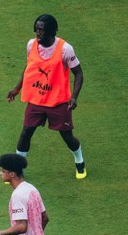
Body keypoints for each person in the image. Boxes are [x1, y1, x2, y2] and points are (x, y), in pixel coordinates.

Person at [6, 14, 86, 179]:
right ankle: (17, 170)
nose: (38, 33)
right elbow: (29, 67)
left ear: (52, 31)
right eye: (36, 29)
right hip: (37, 99)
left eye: (41, 30)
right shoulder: (31, 45)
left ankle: (79, 160)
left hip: (58, 101)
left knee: (67, 135)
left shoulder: (65, 49)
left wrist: (74, 97)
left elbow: (78, 73)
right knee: (26, 131)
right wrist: (17, 88)